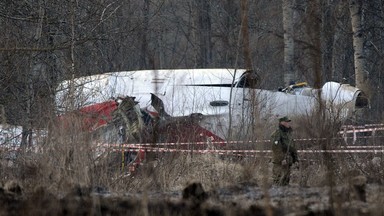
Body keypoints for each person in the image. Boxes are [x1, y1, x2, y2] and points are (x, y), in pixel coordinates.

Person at [271, 116, 298, 186]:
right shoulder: (277, 133)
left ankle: (284, 195)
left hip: (288, 160)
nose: (288, 123)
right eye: (287, 122)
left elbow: (292, 147)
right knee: (278, 180)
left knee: (286, 180)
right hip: (280, 162)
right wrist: (282, 159)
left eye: (289, 122)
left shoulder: (288, 134)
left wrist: (296, 159)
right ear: (282, 123)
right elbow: (276, 148)